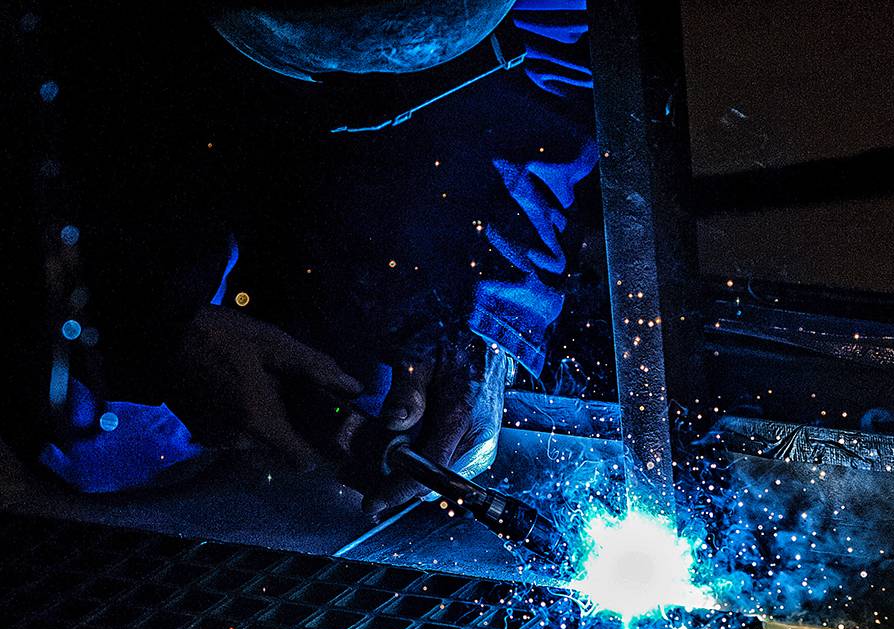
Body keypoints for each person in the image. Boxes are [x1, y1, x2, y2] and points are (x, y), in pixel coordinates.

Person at [43, 1, 598, 513]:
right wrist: (154, 323)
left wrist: (485, 316)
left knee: (366, 383)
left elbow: (561, 77)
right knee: (122, 437)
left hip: (437, 119)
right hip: (149, 107)